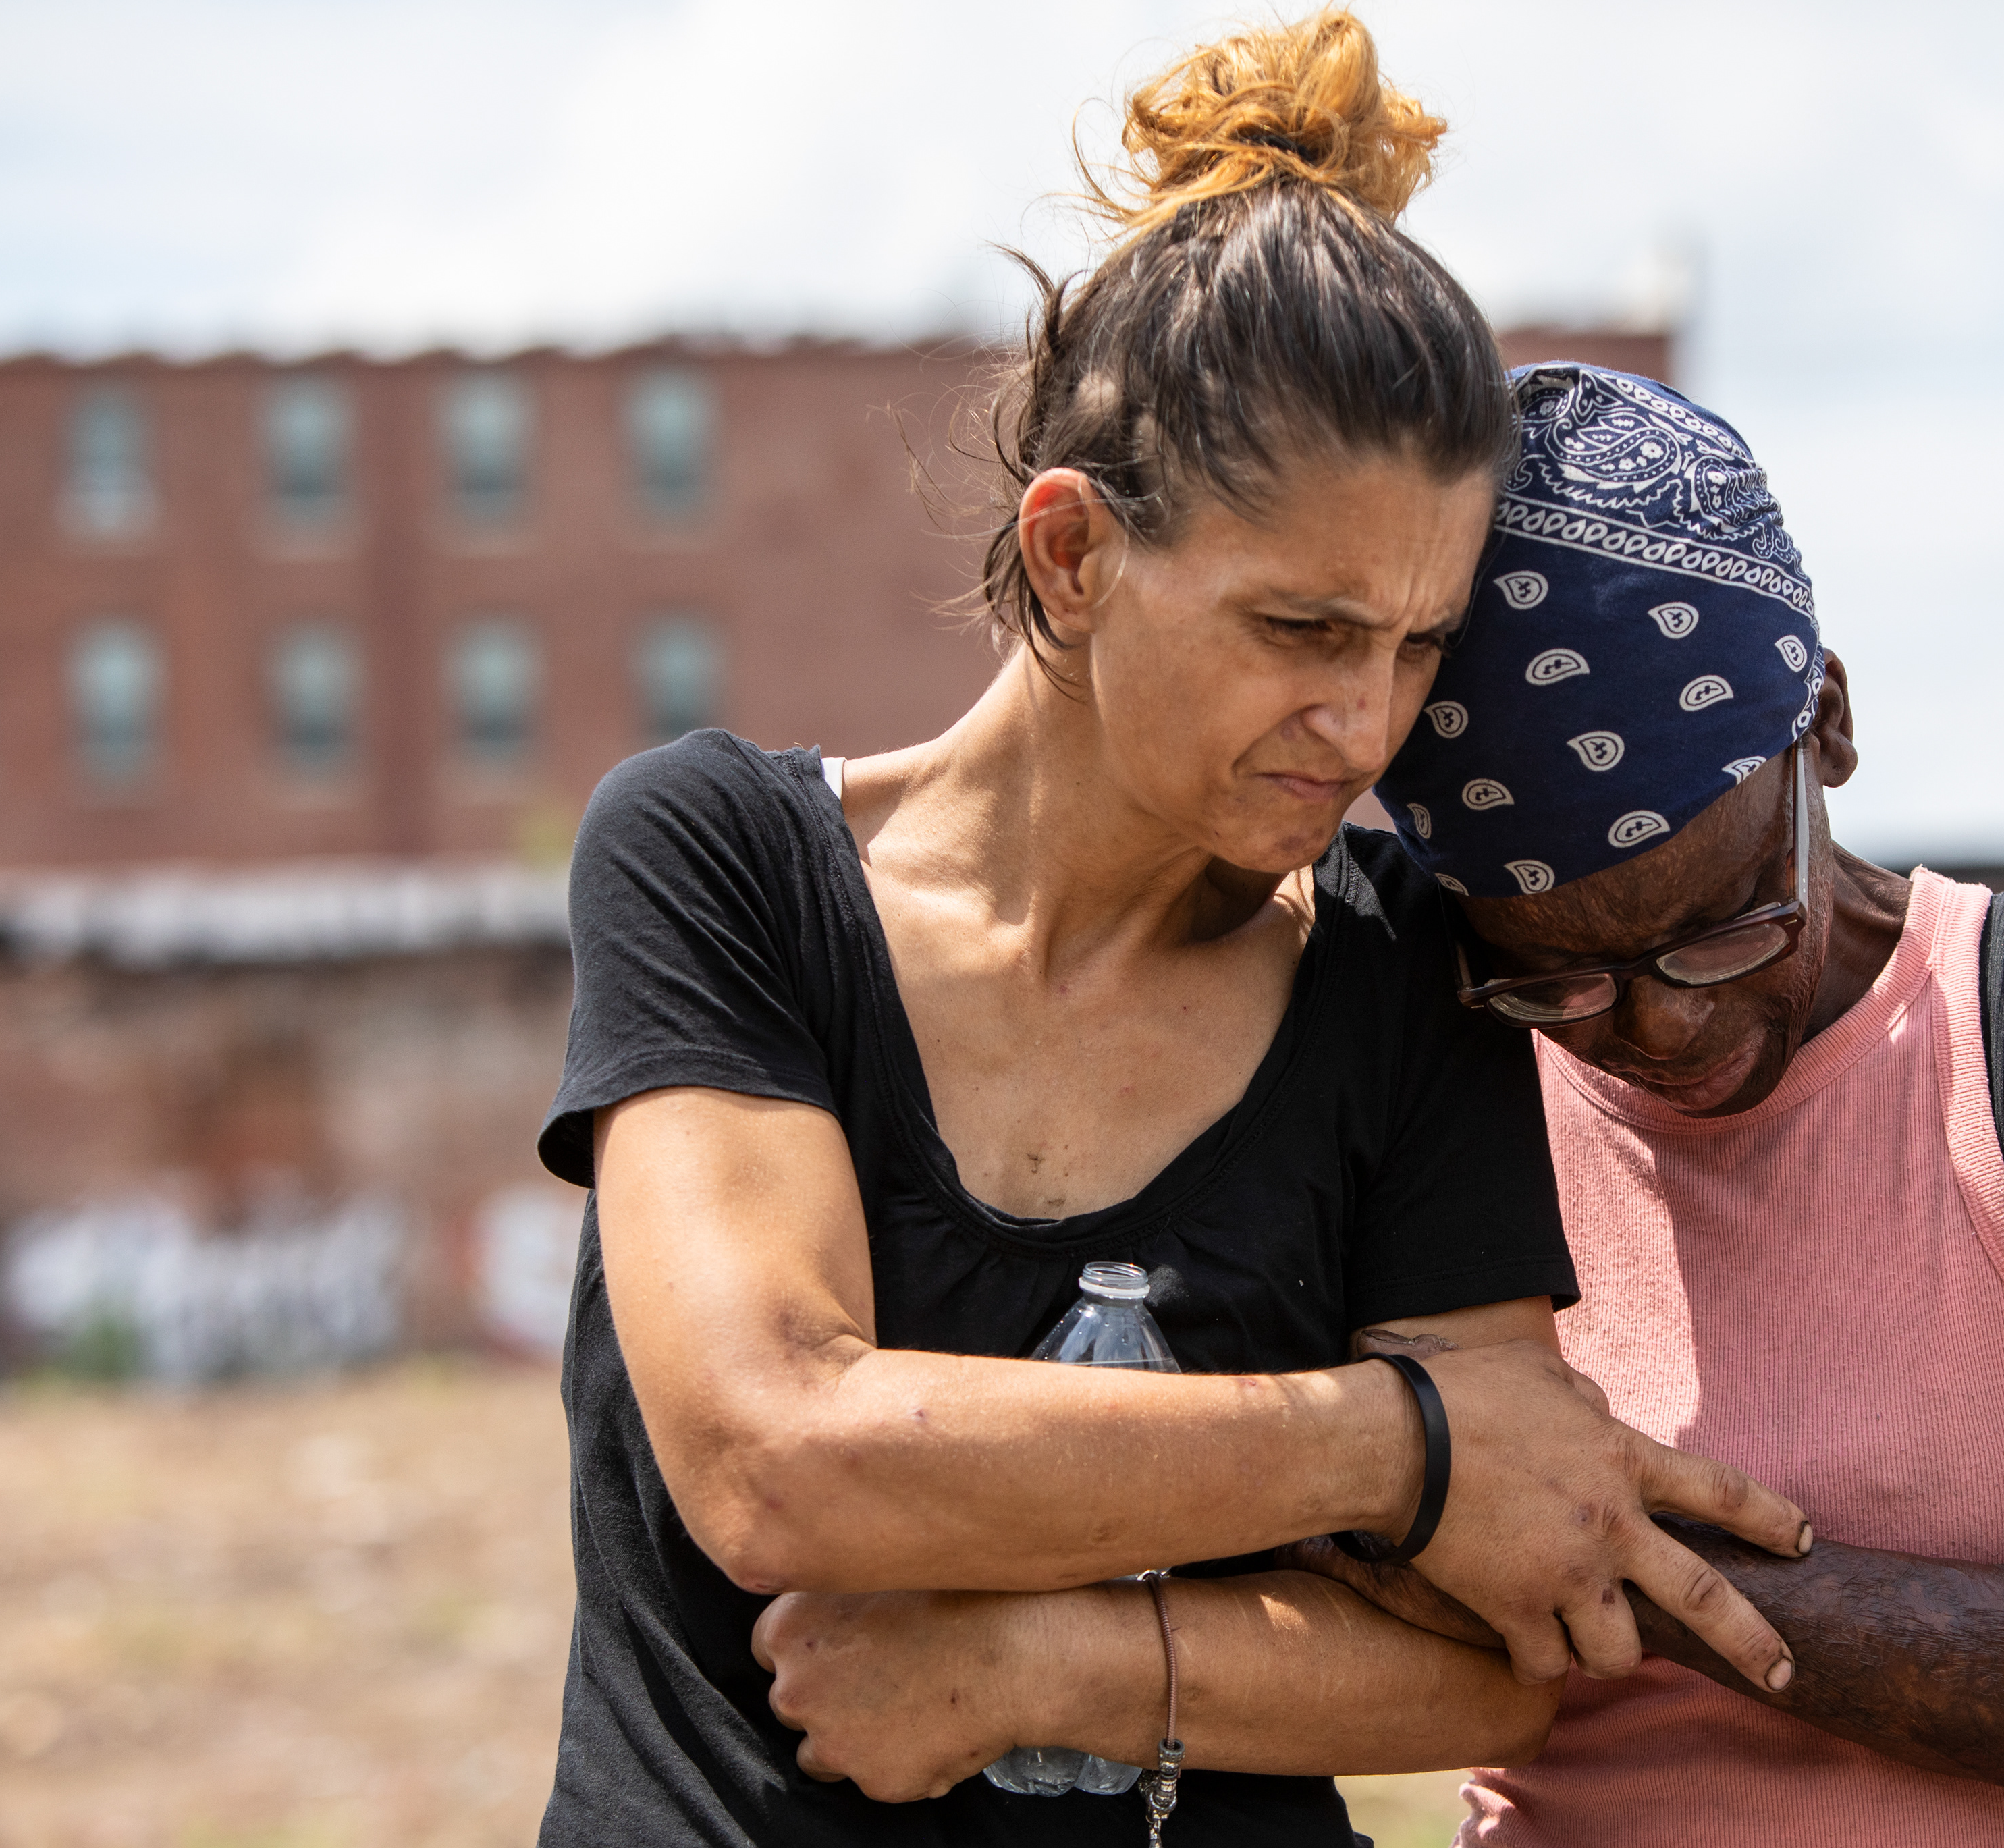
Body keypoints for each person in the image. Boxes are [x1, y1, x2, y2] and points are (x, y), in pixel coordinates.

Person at [533, 24, 1809, 1848]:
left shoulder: (1396, 967)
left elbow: (1501, 1653)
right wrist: (1404, 1445)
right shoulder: (721, 862)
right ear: (1071, 555)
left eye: (1416, 643)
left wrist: (1062, 1662)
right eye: (1303, 630)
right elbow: (778, 1456)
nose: (1366, 725)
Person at [1355, 361, 2004, 1845]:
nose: (1659, 1027)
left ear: (1830, 726)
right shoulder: (1439, 1053)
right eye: (1563, 978)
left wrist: (1607, 1544)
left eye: (1728, 923)